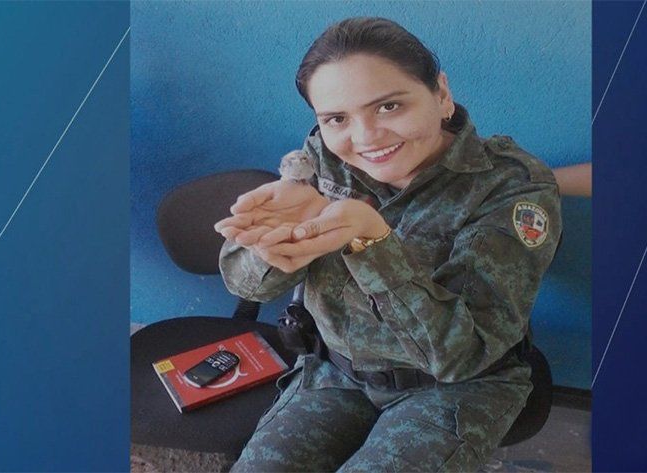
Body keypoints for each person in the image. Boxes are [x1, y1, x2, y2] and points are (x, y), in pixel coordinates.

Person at [214, 17, 562, 472]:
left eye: (389, 106)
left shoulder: (509, 188)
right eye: (336, 118)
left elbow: (460, 355)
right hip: (336, 372)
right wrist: (275, 244)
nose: (364, 138)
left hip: (455, 388)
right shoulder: (324, 159)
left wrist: (371, 243)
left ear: (441, 94)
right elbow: (247, 286)